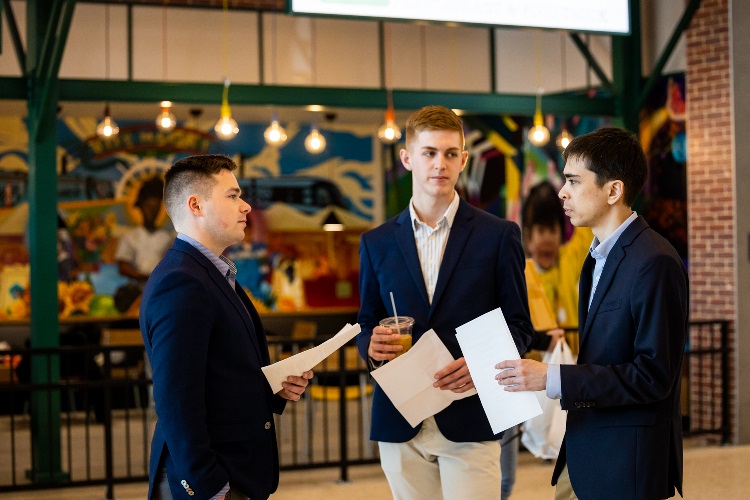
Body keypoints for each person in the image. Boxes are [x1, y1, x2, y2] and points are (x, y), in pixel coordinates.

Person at [496, 127, 688, 500]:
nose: (561, 192)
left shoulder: (654, 261)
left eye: (573, 180)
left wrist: (553, 378)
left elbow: (653, 376)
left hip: (625, 463)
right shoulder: (597, 256)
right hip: (584, 452)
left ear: (613, 190)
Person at [356, 106, 533, 499]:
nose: (441, 163)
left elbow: (520, 327)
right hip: (400, 418)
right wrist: (369, 343)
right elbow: (366, 322)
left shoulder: (499, 235)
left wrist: (484, 365)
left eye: (451, 153)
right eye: (429, 152)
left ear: (464, 160)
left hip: (471, 414)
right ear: (407, 158)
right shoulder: (376, 243)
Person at [140, 154, 313, 500]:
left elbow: (219, 373)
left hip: (236, 471)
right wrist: (209, 486)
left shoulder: (211, 273)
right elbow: (176, 399)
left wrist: (274, 389)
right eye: (233, 196)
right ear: (195, 205)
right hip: (210, 480)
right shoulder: (181, 281)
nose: (246, 206)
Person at [500, 181, 591, 499]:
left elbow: (586, 229)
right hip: (529, 385)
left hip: (573, 379)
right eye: (538, 231)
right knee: (505, 474)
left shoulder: (572, 260)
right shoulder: (520, 272)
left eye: (552, 229)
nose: (546, 239)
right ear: (527, 234)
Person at [115, 176, 174, 285]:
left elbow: (172, 263)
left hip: (159, 287)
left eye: (155, 208)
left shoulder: (166, 238)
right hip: (136, 289)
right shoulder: (129, 237)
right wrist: (141, 276)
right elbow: (123, 267)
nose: (151, 212)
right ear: (140, 207)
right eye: (148, 207)